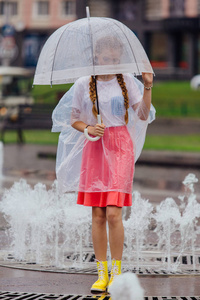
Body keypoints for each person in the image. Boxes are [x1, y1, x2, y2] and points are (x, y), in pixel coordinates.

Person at [52, 36, 155, 294]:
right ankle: (101, 273)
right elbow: (74, 118)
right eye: (105, 59)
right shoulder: (83, 83)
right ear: (96, 57)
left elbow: (142, 115)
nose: (109, 63)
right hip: (95, 147)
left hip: (120, 146)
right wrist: (88, 127)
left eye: (114, 60)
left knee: (112, 213)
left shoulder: (128, 82)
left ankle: (117, 273)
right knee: (97, 215)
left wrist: (148, 88)